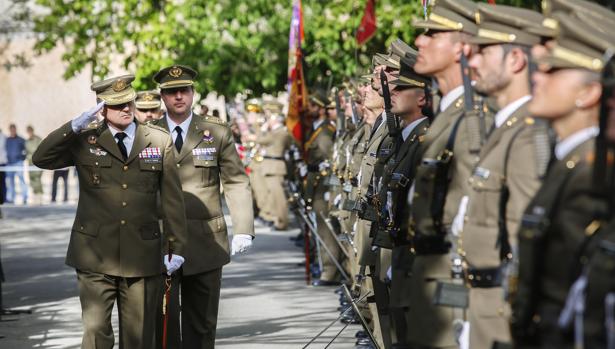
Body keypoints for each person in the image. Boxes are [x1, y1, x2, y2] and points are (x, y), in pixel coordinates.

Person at [32, 74, 187, 349]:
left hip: (141, 254)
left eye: (129, 102)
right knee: (95, 333)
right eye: (117, 105)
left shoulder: (157, 140)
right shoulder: (85, 139)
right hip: (94, 253)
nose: (126, 109)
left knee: (138, 336)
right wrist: (72, 127)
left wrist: (175, 247)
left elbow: (173, 200)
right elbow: (41, 158)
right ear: (102, 108)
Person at [511, 13, 613, 349]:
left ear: (589, 93)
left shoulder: (590, 173)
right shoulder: (568, 161)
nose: (536, 78)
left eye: (552, 70)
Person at [452, 5, 551, 348]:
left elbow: (525, 244)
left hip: (500, 314)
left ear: (516, 61)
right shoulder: (503, 127)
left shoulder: (526, 135)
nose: (472, 60)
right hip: (480, 305)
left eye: (484, 51)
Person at [408, 0, 493, 347]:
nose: (419, 42)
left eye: (433, 33)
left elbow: (478, 211)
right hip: (432, 275)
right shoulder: (448, 114)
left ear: (462, 46)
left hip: (455, 283)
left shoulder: (473, 118)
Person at [152, 64, 255, 349]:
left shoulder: (216, 132)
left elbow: (235, 180)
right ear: (162, 96)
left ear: (193, 94)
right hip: (161, 242)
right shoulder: (146, 133)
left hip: (206, 240)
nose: (178, 97)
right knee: (164, 325)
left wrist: (243, 227)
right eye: (172, 92)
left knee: (202, 326)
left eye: (184, 90)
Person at [5, 124, 27, 204]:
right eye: (11, 130)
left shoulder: (21, 139)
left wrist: (22, 158)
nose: (12, 131)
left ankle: (25, 197)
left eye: (13, 130)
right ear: (9, 130)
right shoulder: (7, 140)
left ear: (15, 130)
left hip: (18, 162)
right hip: (9, 163)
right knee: (10, 181)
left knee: (21, 180)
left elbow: (25, 149)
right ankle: (11, 198)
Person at [25, 125, 43, 204]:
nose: (29, 133)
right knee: (32, 180)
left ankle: (40, 197)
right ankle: (35, 198)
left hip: (37, 163)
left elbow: (40, 150)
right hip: (30, 163)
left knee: (37, 180)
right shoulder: (27, 141)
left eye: (30, 131)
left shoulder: (38, 140)